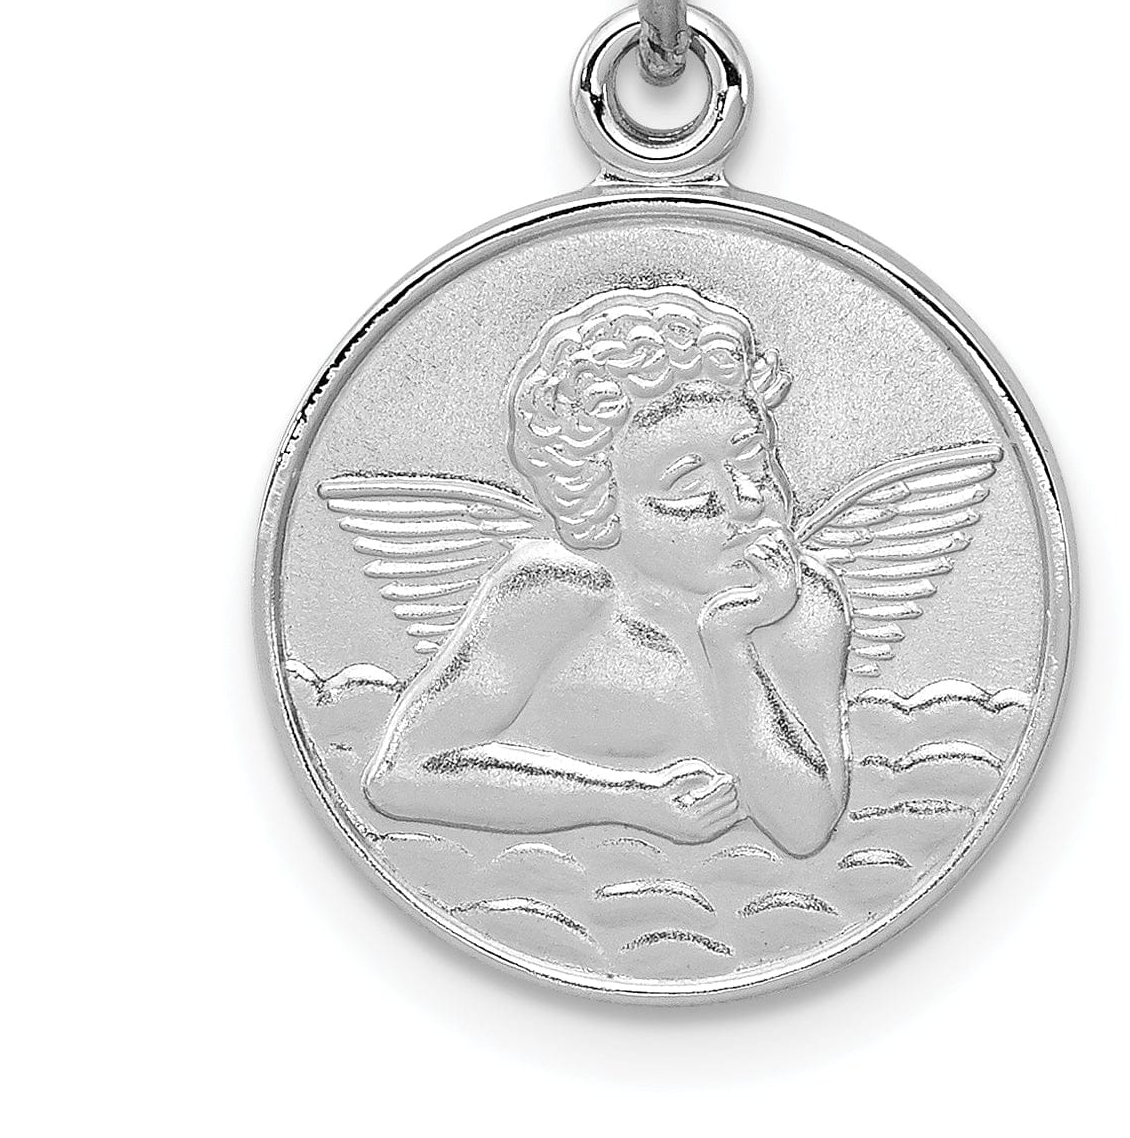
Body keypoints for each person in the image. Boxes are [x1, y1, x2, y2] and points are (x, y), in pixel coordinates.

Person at [363, 286, 851, 857]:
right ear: (602, 501)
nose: (746, 499)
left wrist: (729, 641)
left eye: (754, 459)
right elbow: (403, 772)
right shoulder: (554, 595)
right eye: (688, 485)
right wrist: (631, 800)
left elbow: (806, 828)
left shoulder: (803, 603)